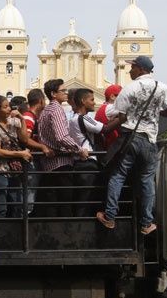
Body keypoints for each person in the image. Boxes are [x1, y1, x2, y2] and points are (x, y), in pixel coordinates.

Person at [97, 56, 167, 234]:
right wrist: (154, 112)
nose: (129, 70)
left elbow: (117, 115)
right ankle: (147, 223)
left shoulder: (130, 88)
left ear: (140, 69)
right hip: (150, 140)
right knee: (146, 180)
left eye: (132, 67)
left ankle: (110, 217)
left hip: (130, 138)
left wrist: (107, 127)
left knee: (118, 176)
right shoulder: (161, 87)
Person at [0, 95, 50, 218]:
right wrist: (20, 154)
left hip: (15, 170)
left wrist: (22, 119)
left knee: (17, 205)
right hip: (0, 171)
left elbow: (24, 138)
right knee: (1, 208)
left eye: (9, 106)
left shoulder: (14, 121)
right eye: (5, 107)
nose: (9, 109)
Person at [38, 79, 87, 217]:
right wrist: (79, 149)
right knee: (64, 203)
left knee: (52, 203)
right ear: (53, 94)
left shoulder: (46, 110)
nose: (66, 93)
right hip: (61, 164)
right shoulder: (57, 110)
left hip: (49, 164)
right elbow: (62, 137)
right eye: (63, 91)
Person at [69, 88, 121, 217]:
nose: (94, 103)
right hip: (87, 164)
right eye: (91, 100)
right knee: (86, 199)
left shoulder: (73, 119)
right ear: (83, 101)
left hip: (78, 164)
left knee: (81, 199)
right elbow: (106, 129)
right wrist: (123, 117)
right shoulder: (84, 118)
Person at [23, 89, 46, 213]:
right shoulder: (29, 117)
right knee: (29, 193)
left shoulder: (32, 117)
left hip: (34, 161)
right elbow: (26, 139)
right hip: (30, 162)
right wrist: (42, 147)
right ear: (40, 101)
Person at [95, 84, 122, 149]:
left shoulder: (104, 107)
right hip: (110, 147)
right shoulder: (110, 107)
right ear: (112, 96)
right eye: (122, 97)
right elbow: (129, 110)